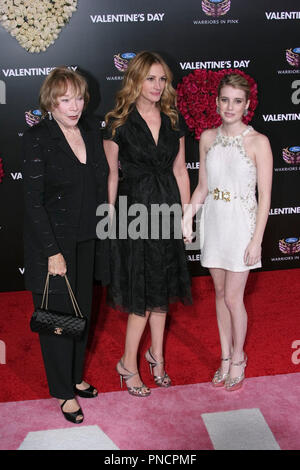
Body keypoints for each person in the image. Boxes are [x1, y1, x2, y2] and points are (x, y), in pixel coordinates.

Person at [103, 51, 192, 397]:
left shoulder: (173, 119)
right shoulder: (118, 123)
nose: (157, 86)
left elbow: (181, 170)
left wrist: (186, 216)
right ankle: (128, 362)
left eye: (162, 79)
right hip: (134, 213)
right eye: (150, 78)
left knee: (162, 285)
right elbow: (112, 174)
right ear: (135, 80)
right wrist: (108, 214)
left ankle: (157, 356)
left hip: (167, 208)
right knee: (141, 291)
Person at [23, 67, 109, 423]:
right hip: (54, 244)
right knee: (58, 319)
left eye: (78, 98)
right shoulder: (37, 138)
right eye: (64, 99)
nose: (74, 106)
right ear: (50, 101)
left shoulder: (90, 129)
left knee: (81, 312)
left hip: (87, 236)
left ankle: (75, 376)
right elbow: (32, 202)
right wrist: (52, 252)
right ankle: (62, 392)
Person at [183, 73, 273, 391]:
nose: (230, 107)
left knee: (235, 298)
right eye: (225, 100)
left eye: (237, 101)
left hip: (241, 228)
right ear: (217, 102)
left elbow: (265, 199)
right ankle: (224, 356)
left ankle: (238, 357)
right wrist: (188, 218)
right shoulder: (207, 138)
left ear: (247, 105)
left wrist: (257, 240)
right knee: (220, 295)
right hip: (214, 224)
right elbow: (203, 188)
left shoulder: (258, 142)